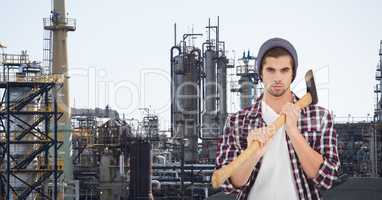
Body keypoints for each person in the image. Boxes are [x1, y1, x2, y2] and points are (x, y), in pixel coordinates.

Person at [215, 38, 340, 200]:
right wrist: (252, 156)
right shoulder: (236, 121)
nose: (277, 78)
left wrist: (294, 133)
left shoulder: (320, 117)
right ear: (260, 73)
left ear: (293, 74)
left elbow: (327, 180)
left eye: (284, 70)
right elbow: (230, 185)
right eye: (271, 70)